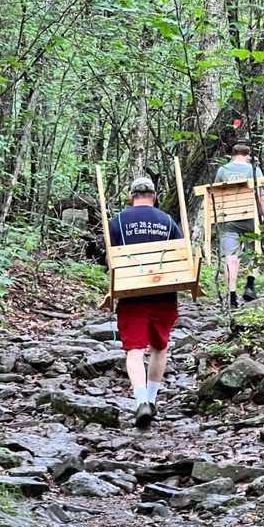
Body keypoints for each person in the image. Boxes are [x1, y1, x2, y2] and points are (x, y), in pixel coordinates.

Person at [109, 176, 182, 429]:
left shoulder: (117, 222)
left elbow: (109, 258)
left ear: (131, 196)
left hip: (132, 295)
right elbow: (180, 257)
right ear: (155, 196)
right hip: (163, 293)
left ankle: (140, 400)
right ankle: (151, 400)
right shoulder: (168, 221)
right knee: (160, 347)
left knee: (134, 349)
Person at [214, 141, 264, 308]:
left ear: (232, 156)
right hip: (252, 220)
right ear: (247, 156)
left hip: (229, 219)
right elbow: (263, 200)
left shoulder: (222, 171)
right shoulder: (254, 170)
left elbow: (216, 196)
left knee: (231, 256)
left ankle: (231, 294)